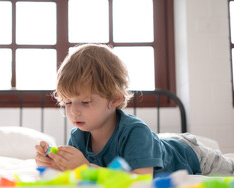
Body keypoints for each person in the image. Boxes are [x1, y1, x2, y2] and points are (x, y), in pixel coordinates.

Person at [35, 43, 234, 177]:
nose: (74, 112)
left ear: (115, 99)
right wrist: (54, 164)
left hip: (193, 157)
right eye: (68, 103)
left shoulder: (134, 132)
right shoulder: (78, 137)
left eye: (85, 102)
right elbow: (79, 176)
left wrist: (86, 167)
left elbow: (139, 181)